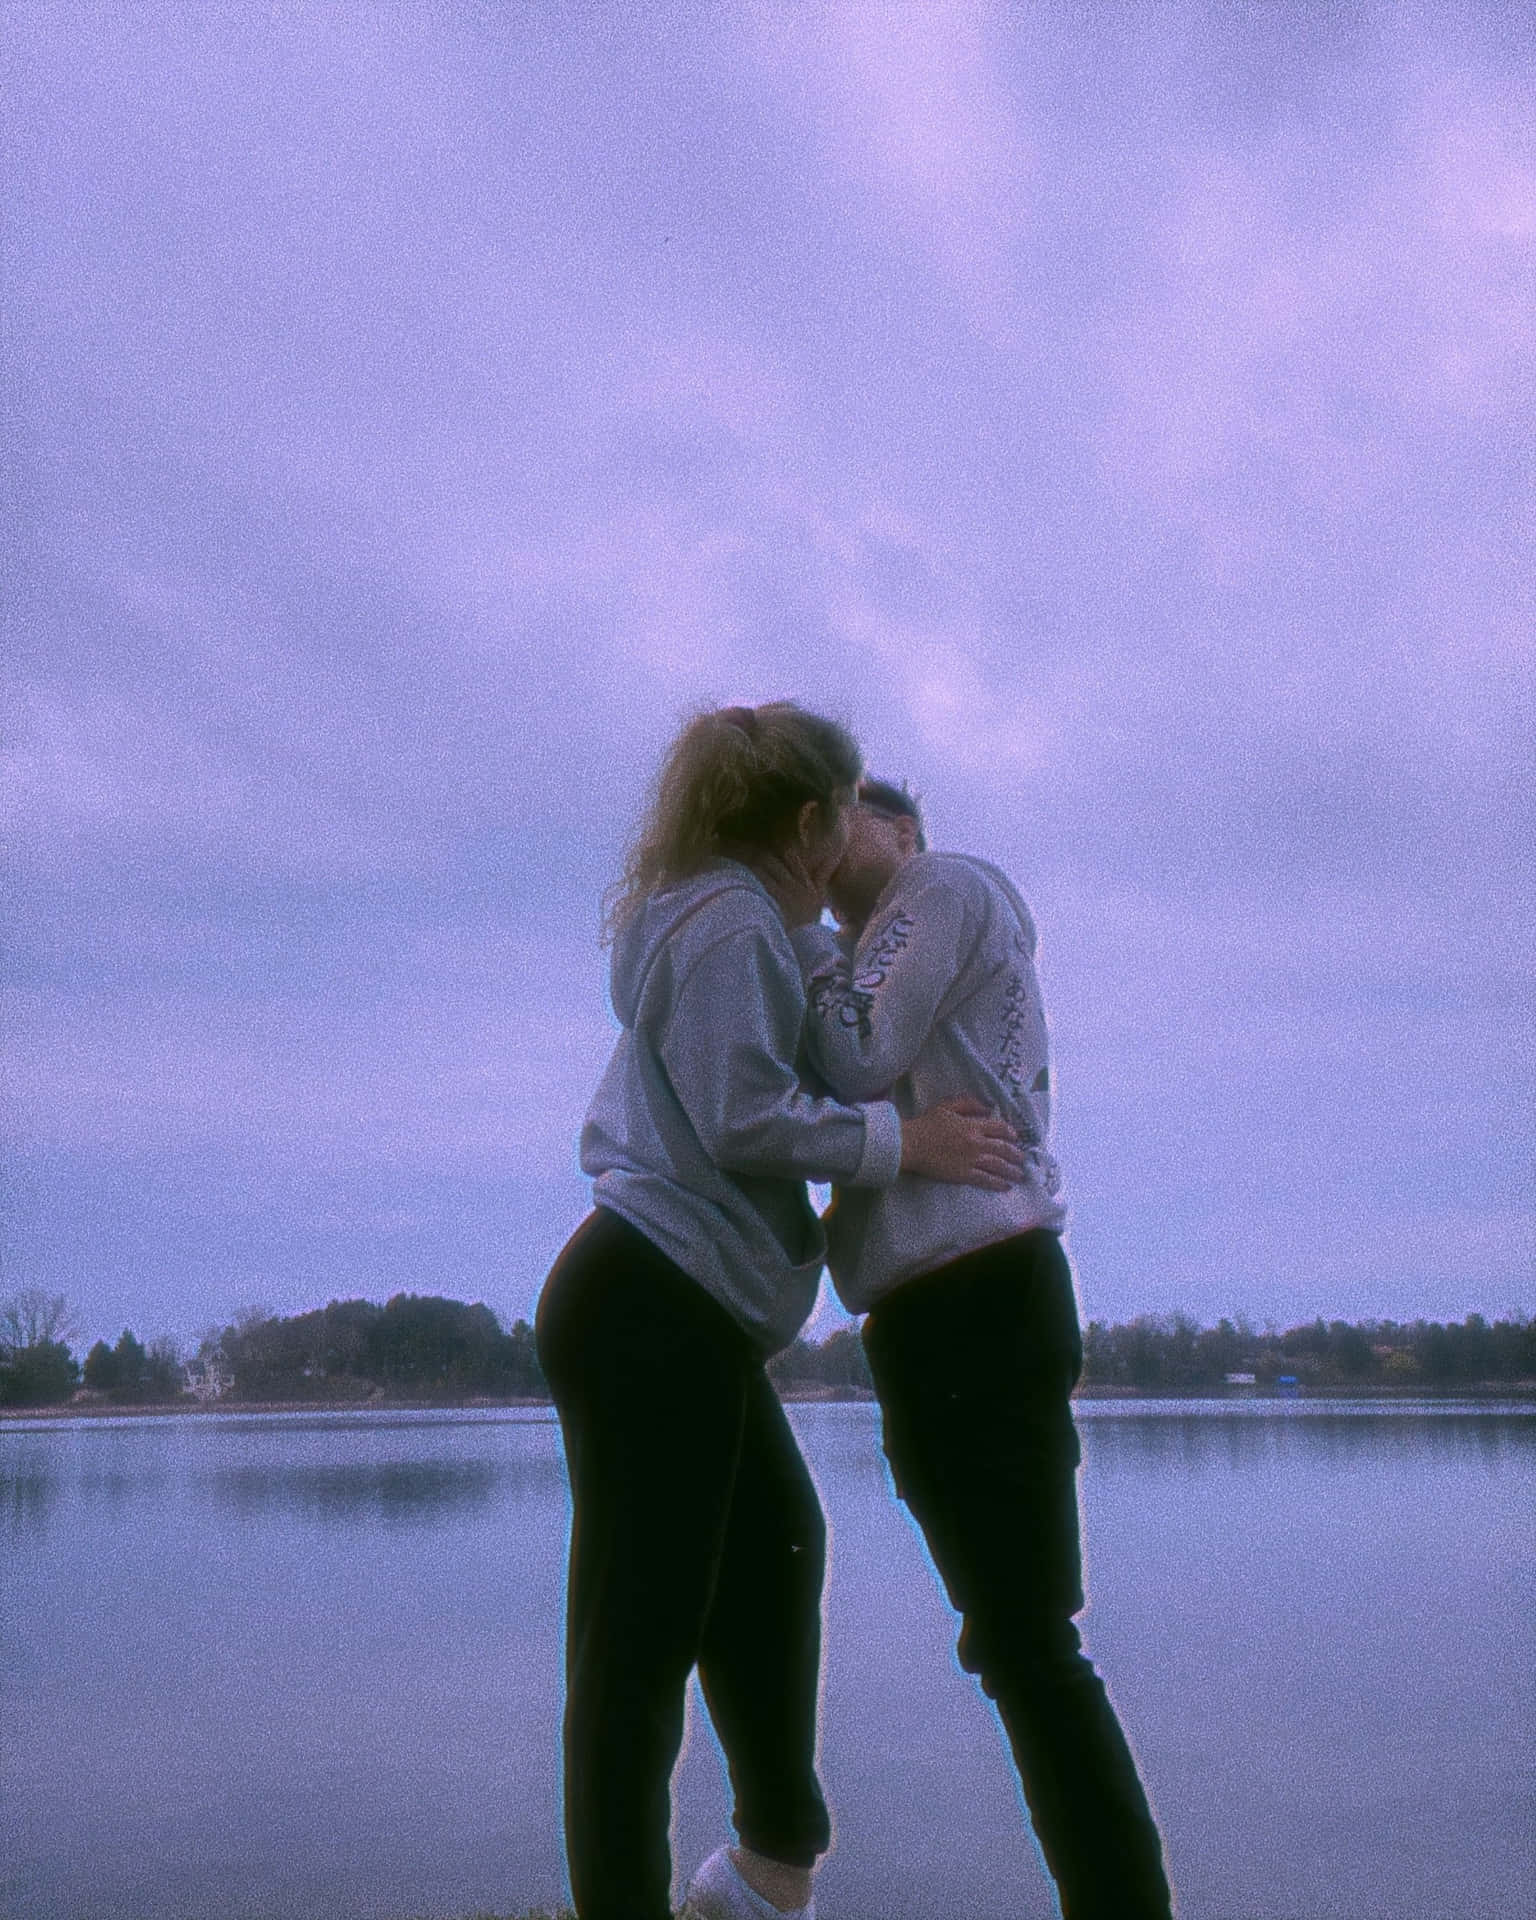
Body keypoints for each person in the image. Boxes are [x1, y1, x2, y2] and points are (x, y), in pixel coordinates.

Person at [534, 709, 1026, 1920]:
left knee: (775, 1548)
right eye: (845, 809)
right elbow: (742, 1115)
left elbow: (786, 1052)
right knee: (636, 1641)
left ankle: (768, 1867)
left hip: (673, 1306)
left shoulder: (744, 920)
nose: (854, 832)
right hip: (650, 1299)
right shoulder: (726, 924)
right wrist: (901, 1141)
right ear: (807, 821)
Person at [776, 778, 1176, 1920]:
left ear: (901, 829)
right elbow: (838, 1094)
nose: (815, 827)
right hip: (924, 1319)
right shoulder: (864, 952)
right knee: (1013, 1648)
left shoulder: (936, 888)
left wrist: (800, 931)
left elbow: (853, 1061)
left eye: (837, 807)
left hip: (983, 1300)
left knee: (1029, 1645)